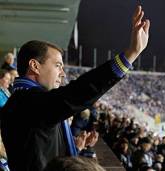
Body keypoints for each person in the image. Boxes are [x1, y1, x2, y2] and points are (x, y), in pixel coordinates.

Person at [0, 5, 150, 171]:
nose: (63, 74)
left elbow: (41, 152)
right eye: (58, 65)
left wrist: (74, 147)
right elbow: (77, 93)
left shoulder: (27, 101)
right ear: (35, 66)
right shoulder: (26, 102)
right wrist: (130, 55)